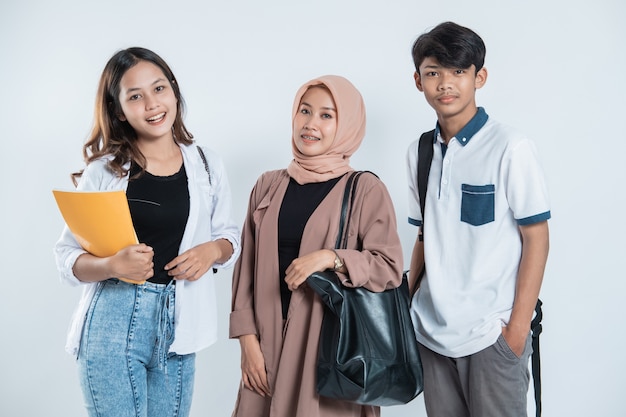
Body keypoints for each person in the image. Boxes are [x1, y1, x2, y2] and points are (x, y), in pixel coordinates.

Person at [54, 47, 241, 417]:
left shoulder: (206, 164)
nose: (151, 104)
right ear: (119, 109)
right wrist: (112, 265)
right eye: (135, 96)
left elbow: (229, 236)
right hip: (112, 321)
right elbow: (66, 257)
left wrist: (212, 251)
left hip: (179, 324)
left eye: (159, 89)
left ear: (174, 90)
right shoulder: (104, 172)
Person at [229, 75, 404, 417]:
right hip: (266, 346)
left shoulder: (365, 189)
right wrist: (248, 344)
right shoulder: (268, 185)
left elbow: (389, 267)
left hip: (328, 353)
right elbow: (245, 269)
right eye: (305, 111)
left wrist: (331, 258)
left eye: (327, 115)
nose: (311, 124)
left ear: (347, 125)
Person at [405, 22, 551, 417]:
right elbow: (424, 236)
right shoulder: (419, 152)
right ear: (418, 81)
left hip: (493, 335)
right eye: (433, 72)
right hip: (432, 335)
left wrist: (516, 332)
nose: (445, 83)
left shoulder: (510, 147)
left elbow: (537, 237)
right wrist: (407, 305)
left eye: (458, 71)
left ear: (479, 77)